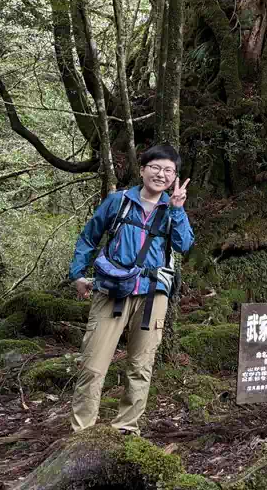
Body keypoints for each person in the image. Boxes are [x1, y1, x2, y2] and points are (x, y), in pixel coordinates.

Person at [67, 145, 194, 434]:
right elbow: (89, 236)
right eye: (156, 167)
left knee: (140, 366)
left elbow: (184, 245)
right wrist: (77, 274)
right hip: (111, 290)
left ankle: (126, 429)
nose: (161, 174)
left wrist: (177, 210)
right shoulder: (117, 202)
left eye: (168, 170)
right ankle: (82, 432)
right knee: (92, 365)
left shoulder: (172, 208)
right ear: (143, 169)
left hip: (153, 295)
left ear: (174, 177)